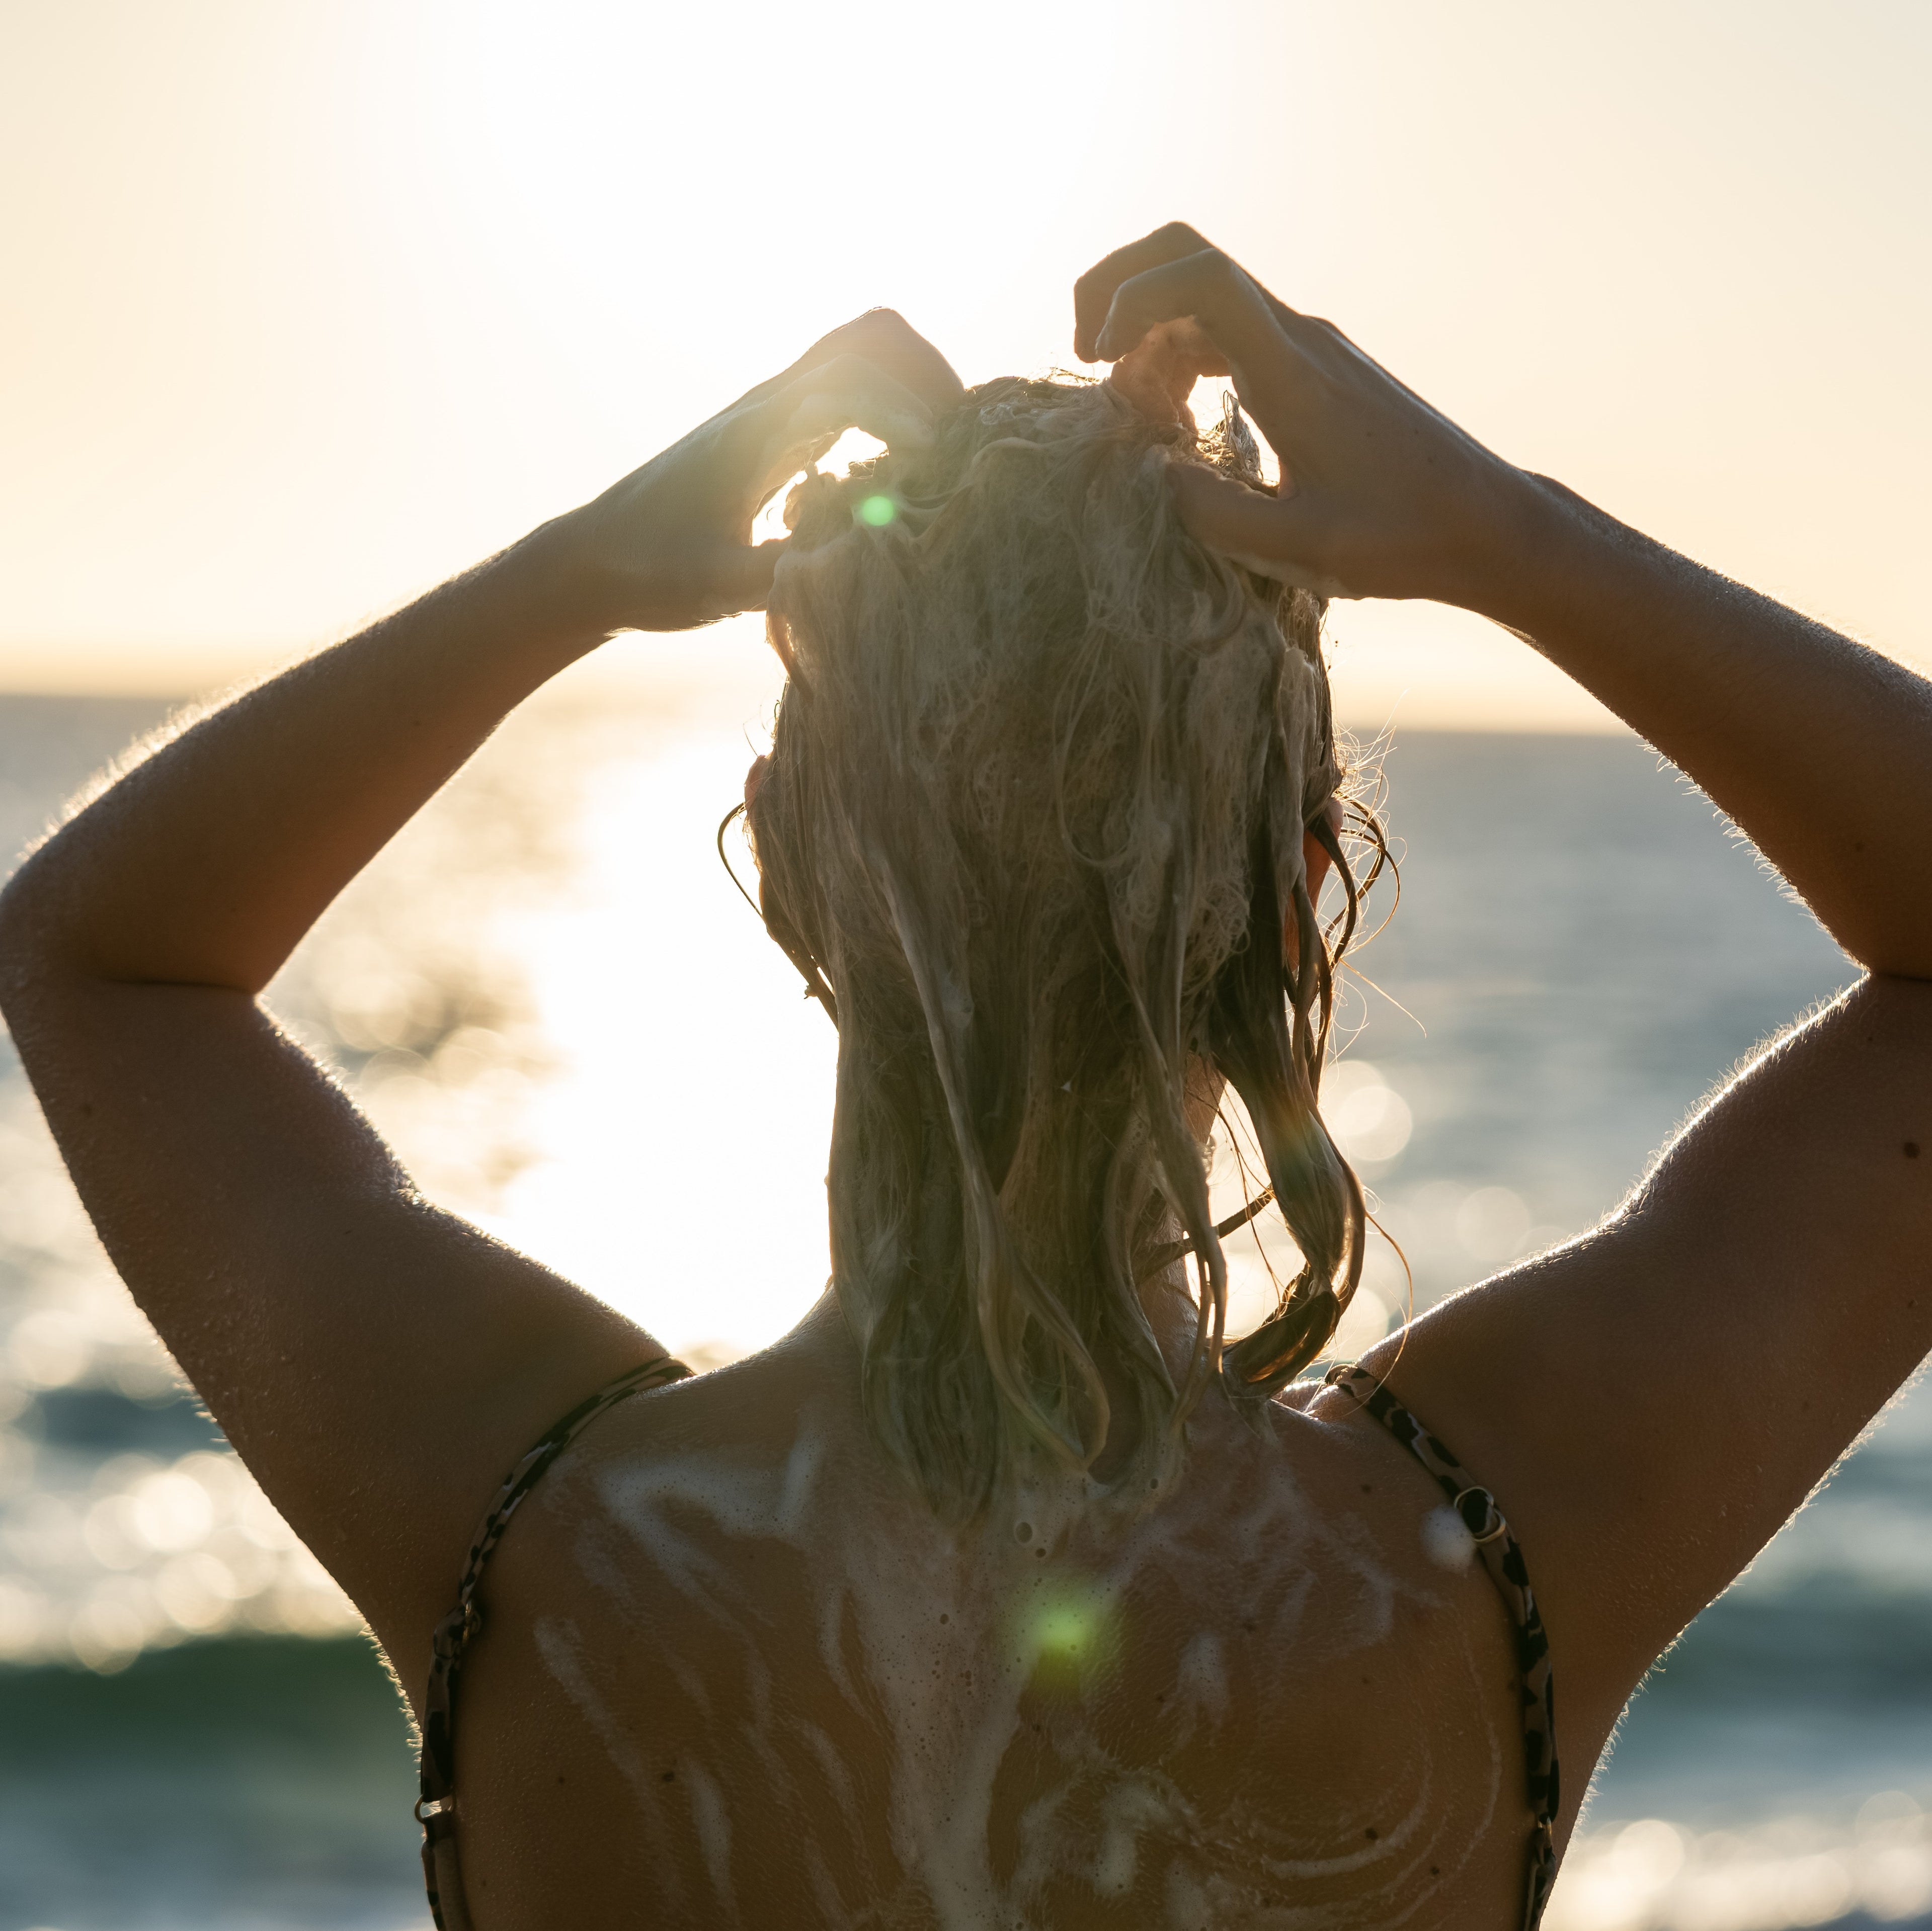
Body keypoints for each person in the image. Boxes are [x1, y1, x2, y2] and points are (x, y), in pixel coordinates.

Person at [1, 222, 1926, 1931]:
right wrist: (1508, 537)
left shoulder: (526, 1519)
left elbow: (97, 959)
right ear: (1304, 889)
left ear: (788, 866)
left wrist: (579, 574)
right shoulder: (1489, 1555)